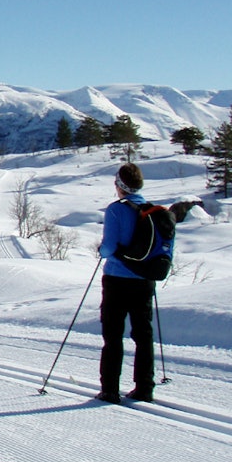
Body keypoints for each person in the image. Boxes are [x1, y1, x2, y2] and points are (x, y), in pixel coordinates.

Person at [96, 162, 160, 404]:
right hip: (145, 279)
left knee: (113, 335)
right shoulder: (152, 211)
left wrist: (101, 251)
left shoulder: (116, 210)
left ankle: (110, 389)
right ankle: (145, 387)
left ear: (120, 185)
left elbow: (109, 247)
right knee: (143, 334)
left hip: (117, 279)